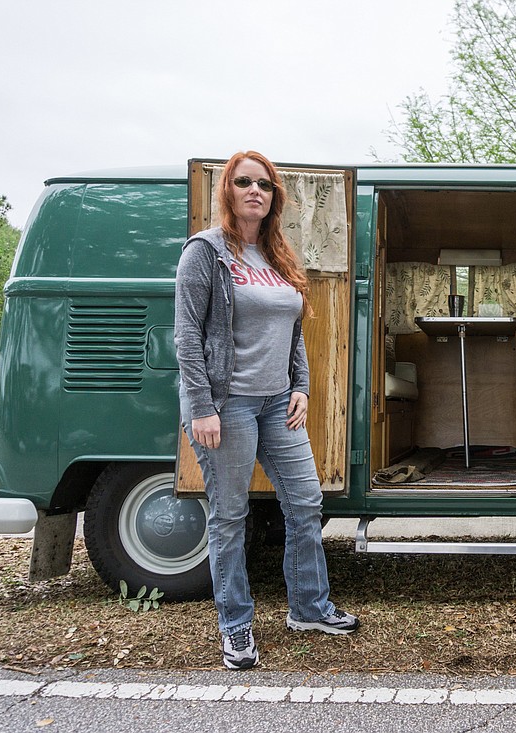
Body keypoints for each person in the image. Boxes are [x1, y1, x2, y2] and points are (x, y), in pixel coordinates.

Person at [174, 150, 358, 670]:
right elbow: (187, 336)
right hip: (226, 404)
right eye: (244, 182)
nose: (256, 190)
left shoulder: (278, 253)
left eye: (266, 184)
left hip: (278, 402)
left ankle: (308, 607)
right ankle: (234, 627)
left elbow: (293, 328)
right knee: (230, 516)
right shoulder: (206, 252)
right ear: (227, 191)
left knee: (305, 503)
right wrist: (202, 407)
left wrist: (300, 385)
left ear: (275, 196)